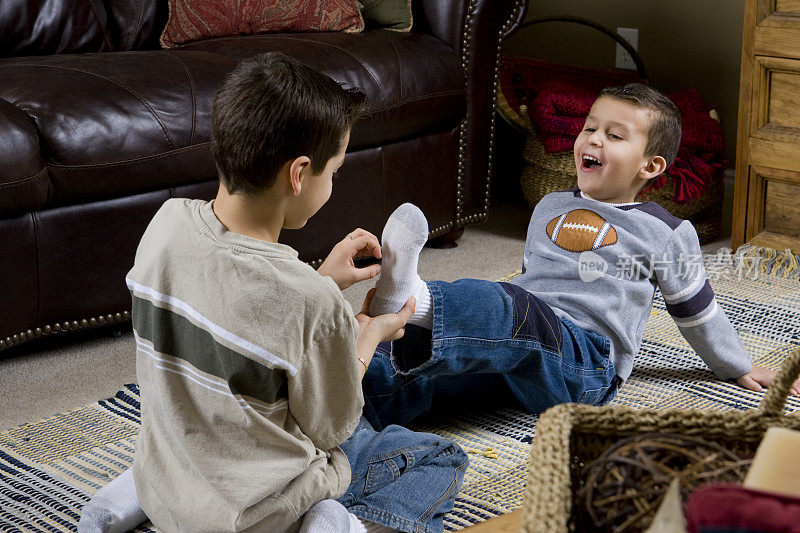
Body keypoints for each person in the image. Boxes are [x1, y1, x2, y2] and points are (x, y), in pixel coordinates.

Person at [78, 52, 468, 533]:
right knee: (437, 457)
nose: (333, 182)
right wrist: (365, 338)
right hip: (256, 513)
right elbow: (331, 427)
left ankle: (144, 493)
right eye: (335, 171)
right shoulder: (308, 301)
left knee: (195, 422)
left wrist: (320, 281)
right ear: (299, 173)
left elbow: (233, 304)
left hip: (179, 471)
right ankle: (338, 526)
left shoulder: (165, 225)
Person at [360, 83, 800, 431]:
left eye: (614, 135)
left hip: (586, 365)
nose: (593, 138)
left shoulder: (666, 231)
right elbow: (536, 278)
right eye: (590, 127)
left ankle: (410, 298)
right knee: (434, 368)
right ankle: (350, 403)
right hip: (523, 357)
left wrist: (737, 365)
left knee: (509, 306)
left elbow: (697, 311)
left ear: (650, 167)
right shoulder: (550, 205)